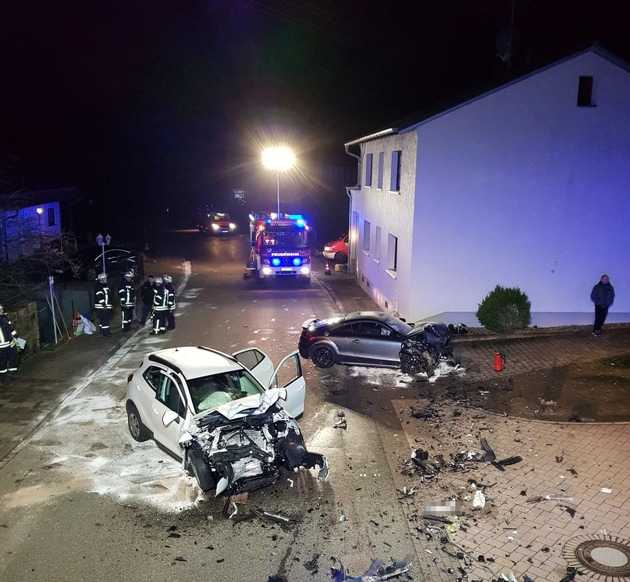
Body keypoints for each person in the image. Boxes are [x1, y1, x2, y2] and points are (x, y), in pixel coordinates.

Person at [0, 305, 18, 375]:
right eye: (0, 309)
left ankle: (11, 373)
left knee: (13, 357)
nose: (2, 310)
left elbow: (11, 328)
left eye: (2, 309)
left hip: (10, 343)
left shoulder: (5, 318)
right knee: (2, 361)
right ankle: (3, 376)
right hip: (1, 346)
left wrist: (16, 336)